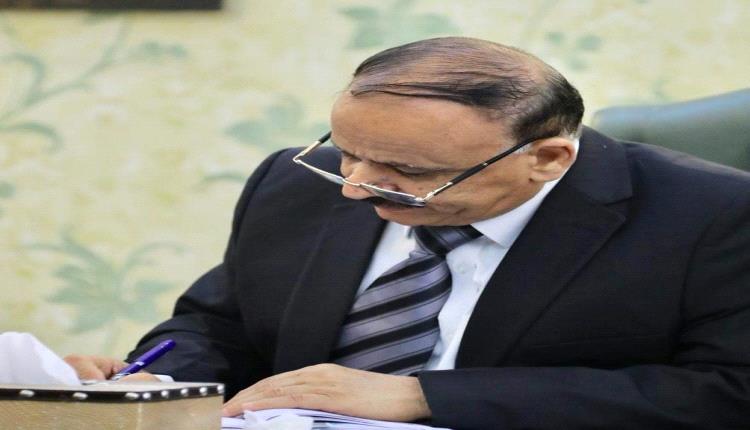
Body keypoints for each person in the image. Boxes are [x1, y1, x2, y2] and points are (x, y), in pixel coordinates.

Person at [64, 37, 750, 429]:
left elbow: (728, 391)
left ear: (546, 159)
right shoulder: (299, 182)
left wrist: (420, 396)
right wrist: (151, 381)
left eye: (409, 172)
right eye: (347, 152)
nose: (357, 187)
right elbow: (220, 325)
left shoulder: (712, 216)